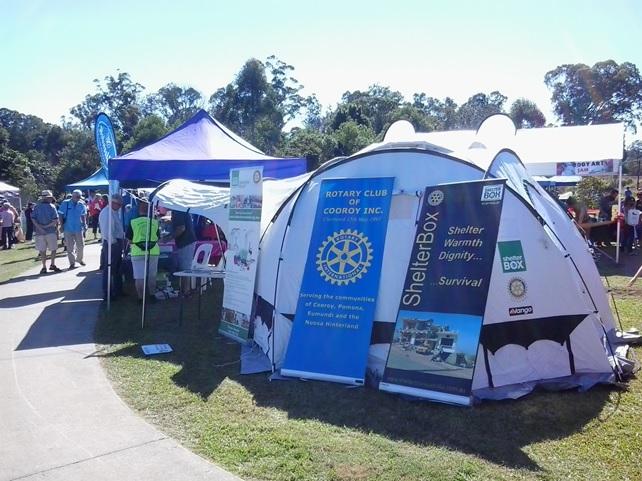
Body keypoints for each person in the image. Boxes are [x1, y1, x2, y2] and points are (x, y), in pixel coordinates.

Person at [126, 200, 160, 303]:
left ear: (139, 209)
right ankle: (152, 296)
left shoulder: (133, 222)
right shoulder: (155, 222)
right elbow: (157, 237)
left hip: (137, 252)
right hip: (153, 251)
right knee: (152, 275)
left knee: (139, 277)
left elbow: (129, 240)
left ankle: (141, 299)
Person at [162, 209, 196, 297]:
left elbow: (181, 228)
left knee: (185, 268)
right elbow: (179, 223)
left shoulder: (178, 211)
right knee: (183, 267)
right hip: (184, 242)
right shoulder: (178, 210)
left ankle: (187, 292)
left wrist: (170, 238)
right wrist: (169, 222)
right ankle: (185, 290)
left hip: (186, 241)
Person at [99, 193, 125, 301]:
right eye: (119, 205)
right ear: (113, 203)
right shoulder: (107, 213)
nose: (119, 207)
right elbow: (107, 232)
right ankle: (108, 293)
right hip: (112, 244)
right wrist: (114, 242)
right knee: (109, 268)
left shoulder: (112, 212)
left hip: (115, 242)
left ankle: (117, 290)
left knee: (116, 269)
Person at [31, 190, 62, 274]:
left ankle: (44, 266)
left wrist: (40, 227)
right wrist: (46, 226)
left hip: (39, 232)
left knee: (42, 250)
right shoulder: (52, 207)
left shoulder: (37, 207)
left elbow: (33, 219)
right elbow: (55, 220)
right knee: (53, 249)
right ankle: (52, 264)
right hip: (50, 231)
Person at [58, 189, 88, 270]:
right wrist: (61, 225)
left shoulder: (81, 204)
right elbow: (60, 215)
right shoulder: (65, 203)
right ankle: (72, 263)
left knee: (81, 245)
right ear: (73, 196)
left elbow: (83, 215)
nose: (79, 199)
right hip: (68, 227)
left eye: (79, 197)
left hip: (78, 227)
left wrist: (84, 224)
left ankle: (79, 259)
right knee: (70, 246)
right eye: (77, 197)